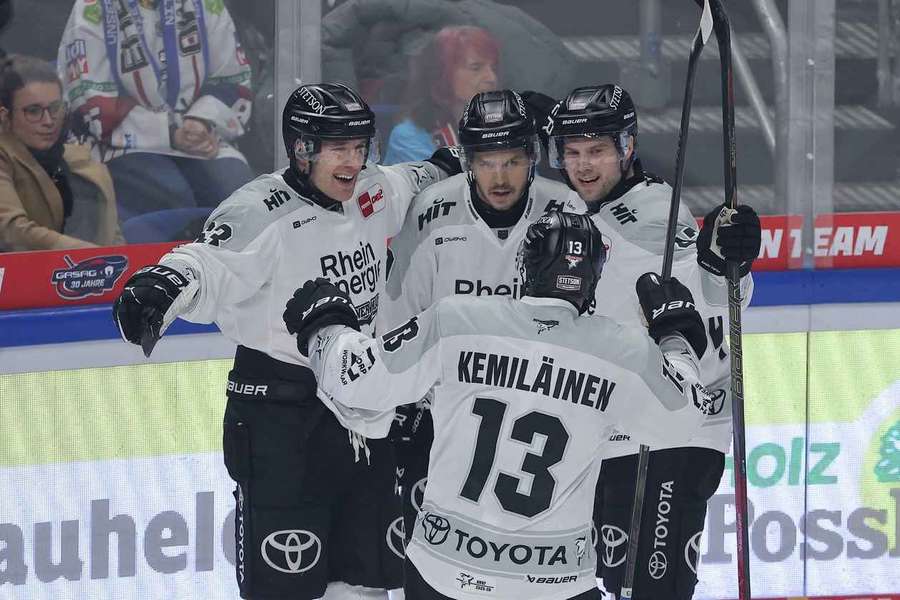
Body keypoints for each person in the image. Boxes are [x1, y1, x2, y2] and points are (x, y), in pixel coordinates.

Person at [111, 83, 460, 600]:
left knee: (365, 581)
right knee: (287, 586)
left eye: (360, 147)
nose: (353, 161)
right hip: (283, 409)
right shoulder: (259, 209)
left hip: (362, 394)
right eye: (338, 148)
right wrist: (161, 286)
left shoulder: (372, 188)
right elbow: (206, 261)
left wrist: (465, 157)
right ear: (301, 149)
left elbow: (426, 175)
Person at [282, 211, 718, 600]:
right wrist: (675, 334)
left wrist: (328, 327)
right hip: (557, 582)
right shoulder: (622, 351)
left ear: (524, 266)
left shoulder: (455, 320)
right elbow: (684, 419)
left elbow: (357, 380)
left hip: (446, 572)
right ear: (593, 278)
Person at [543, 84, 761, 600]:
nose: (583, 165)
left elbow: (707, 308)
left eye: (596, 150)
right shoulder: (582, 206)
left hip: (672, 437)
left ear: (627, 146)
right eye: (571, 153)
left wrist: (725, 265)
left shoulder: (653, 214)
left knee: (648, 589)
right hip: (619, 431)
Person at [381, 88, 584, 543]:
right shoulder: (431, 210)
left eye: (511, 160)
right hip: (443, 423)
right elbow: (398, 319)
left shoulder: (567, 211)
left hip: (537, 420)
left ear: (532, 157)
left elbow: (583, 324)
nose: (499, 177)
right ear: (467, 160)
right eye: (487, 161)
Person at [58, 0, 254, 224]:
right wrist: (169, 133)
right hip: (122, 144)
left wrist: (201, 120)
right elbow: (92, 103)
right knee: (174, 201)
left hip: (199, 136)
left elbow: (232, 79)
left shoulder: (205, 4)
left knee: (241, 197)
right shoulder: (92, 8)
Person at [0, 54, 122, 251]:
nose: (48, 120)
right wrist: (93, 255)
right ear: (6, 116)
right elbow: (11, 231)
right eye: (33, 111)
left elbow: (113, 236)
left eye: (55, 108)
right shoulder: (4, 156)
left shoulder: (83, 159)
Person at [382, 26, 499, 164]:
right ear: (443, 74)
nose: (491, 78)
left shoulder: (500, 126)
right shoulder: (408, 138)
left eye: (493, 67)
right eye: (476, 68)